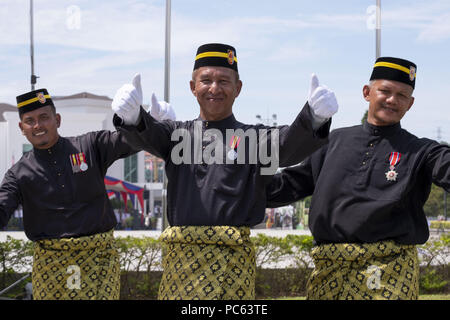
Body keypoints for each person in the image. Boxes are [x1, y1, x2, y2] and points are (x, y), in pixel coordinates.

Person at [111, 43, 339, 300]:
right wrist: (132, 116)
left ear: (238, 88)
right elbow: (149, 133)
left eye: (223, 81)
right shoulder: (177, 135)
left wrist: (314, 117)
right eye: (206, 80)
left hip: (232, 268)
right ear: (192, 87)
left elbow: (286, 144)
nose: (214, 88)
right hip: (181, 267)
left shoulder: (252, 139)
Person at [266, 57, 450, 300]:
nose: (392, 99)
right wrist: (234, 173)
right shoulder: (331, 142)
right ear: (367, 92)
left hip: (389, 273)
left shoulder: (422, 151)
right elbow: (285, 186)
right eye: (384, 91)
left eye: (402, 95)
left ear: (411, 103)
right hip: (330, 272)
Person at [0, 88, 174, 300]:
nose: (37, 125)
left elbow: (127, 142)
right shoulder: (17, 174)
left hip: (98, 261)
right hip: (50, 268)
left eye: (44, 117)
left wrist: (143, 122)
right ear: (21, 127)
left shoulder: (89, 146)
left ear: (57, 119)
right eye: (30, 120)